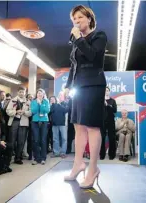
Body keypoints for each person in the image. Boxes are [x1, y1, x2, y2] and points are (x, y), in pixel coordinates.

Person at [64, 5, 107, 189]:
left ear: (89, 19)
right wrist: (67, 86)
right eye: (74, 19)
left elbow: (92, 57)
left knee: (92, 127)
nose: (77, 21)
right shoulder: (76, 41)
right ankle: (78, 164)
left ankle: (93, 169)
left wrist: (79, 38)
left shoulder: (99, 36)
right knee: (78, 126)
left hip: (94, 85)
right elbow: (74, 65)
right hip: (78, 86)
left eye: (80, 18)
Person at [31, 89, 50, 165]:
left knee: (43, 140)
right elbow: (34, 111)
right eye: (38, 93)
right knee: (36, 140)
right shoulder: (33, 101)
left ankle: (43, 158)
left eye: (41, 93)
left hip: (44, 121)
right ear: (37, 94)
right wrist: (38, 103)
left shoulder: (46, 101)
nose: (39, 94)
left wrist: (41, 104)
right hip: (35, 121)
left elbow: (47, 111)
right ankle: (36, 158)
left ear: (43, 94)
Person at [100, 87, 117, 160]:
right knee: (102, 138)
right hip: (102, 121)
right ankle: (102, 154)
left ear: (109, 92)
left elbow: (115, 110)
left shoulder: (113, 101)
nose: (106, 92)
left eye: (107, 91)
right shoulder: (100, 101)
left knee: (112, 138)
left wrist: (108, 105)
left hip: (111, 121)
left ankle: (112, 155)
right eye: (105, 91)